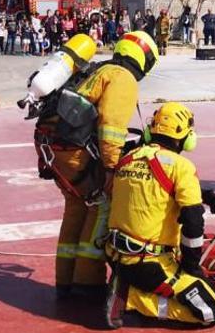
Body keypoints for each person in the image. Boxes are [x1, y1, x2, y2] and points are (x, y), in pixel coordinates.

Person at [35, 31, 159, 300]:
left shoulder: (98, 69)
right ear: (145, 60)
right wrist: (112, 170)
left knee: (77, 208)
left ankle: (65, 281)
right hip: (76, 154)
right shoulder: (122, 78)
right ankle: (88, 283)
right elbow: (111, 129)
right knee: (102, 205)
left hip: (55, 149)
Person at [104, 102, 215, 328]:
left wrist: (202, 193)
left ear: (151, 131)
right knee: (210, 311)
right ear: (186, 137)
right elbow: (193, 221)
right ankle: (130, 299)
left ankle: (125, 282)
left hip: (116, 253)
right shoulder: (181, 166)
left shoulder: (128, 158)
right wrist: (191, 265)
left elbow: (149, 189)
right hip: (150, 263)